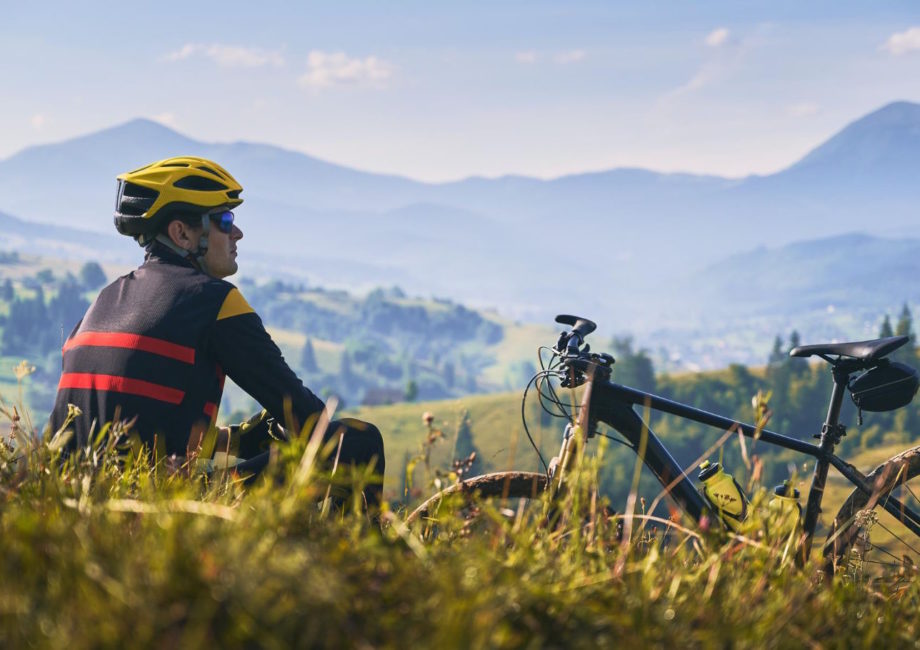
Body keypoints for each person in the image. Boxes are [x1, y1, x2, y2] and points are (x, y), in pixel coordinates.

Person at [49, 156, 384, 508]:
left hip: (74, 507)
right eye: (225, 220)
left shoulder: (104, 301)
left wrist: (236, 440)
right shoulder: (212, 301)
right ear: (182, 233)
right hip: (161, 509)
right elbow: (309, 421)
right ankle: (359, 562)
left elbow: (136, 428)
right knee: (358, 443)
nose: (237, 233)